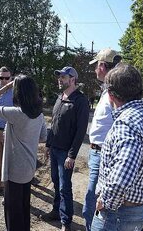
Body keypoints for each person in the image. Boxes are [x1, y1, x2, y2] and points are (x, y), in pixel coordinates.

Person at [91, 64, 143, 231]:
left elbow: (120, 179)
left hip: (117, 214)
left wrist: (105, 201)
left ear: (110, 95)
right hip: (138, 210)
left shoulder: (126, 125)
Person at [0, 75, 48, 231]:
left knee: (13, 213)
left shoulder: (16, 113)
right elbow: (43, 137)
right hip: (29, 168)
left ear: (18, 93)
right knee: (24, 209)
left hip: (15, 170)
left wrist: (4, 88)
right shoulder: (39, 114)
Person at [43, 66, 89, 231]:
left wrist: (72, 155)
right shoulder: (60, 97)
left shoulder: (80, 100)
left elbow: (80, 131)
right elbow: (54, 123)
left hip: (65, 153)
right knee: (55, 182)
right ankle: (56, 211)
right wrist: (48, 145)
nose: (60, 79)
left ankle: (66, 221)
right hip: (54, 149)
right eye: (59, 76)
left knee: (64, 187)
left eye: (63, 77)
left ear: (72, 79)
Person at [82, 48, 121, 231]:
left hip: (104, 153)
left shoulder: (115, 94)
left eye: (96, 65)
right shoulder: (108, 91)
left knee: (93, 198)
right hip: (96, 152)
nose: (94, 70)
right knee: (93, 197)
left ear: (103, 66)